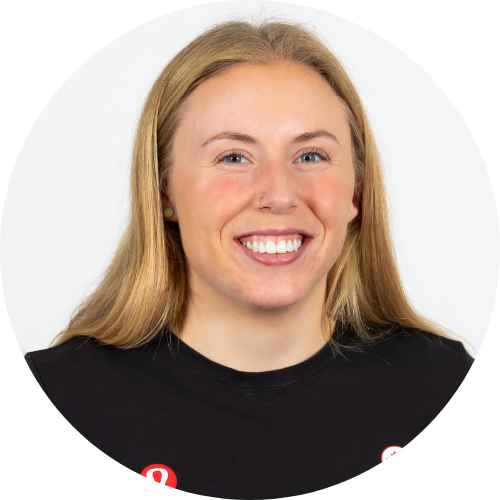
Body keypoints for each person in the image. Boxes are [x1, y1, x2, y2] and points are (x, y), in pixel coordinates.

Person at [24, 17, 474, 497]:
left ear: (356, 192)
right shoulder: (61, 395)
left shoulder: (442, 385)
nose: (279, 195)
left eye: (311, 156)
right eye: (233, 157)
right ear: (164, 191)